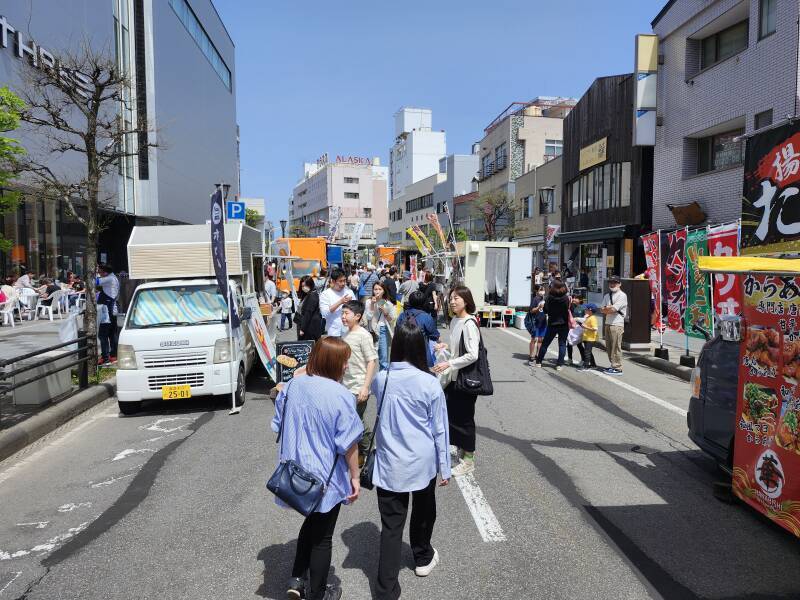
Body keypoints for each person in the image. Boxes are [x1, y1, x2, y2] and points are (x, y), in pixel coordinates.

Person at [272, 337, 363, 600]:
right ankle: (319, 594)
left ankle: (297, 579)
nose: (347, 366)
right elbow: (349, 444)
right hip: (325, 479)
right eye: (344, 361)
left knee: (311, 523)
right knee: (322, 536)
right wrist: (355, 477)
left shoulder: (292, 386)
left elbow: (277, 425)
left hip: (293, 472)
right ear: (333, 362)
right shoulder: (343, 396)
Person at [372, 322, 451, 599]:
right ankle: (422, 557)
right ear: (420, 348)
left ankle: (385, 590)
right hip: (422, 461)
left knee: (391, 527)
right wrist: (445, 467)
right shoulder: (429, 383)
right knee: (424, 511)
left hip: (390, 461)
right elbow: (439, 428)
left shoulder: (382, 378)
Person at [432, 286, 479, 477]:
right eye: (451, 298)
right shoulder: (455, 321)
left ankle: (469, 460)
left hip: (466, 379)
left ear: (466, 301)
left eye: (457, 298)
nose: (452, 301)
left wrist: (449, 363)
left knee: (465, 419)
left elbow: (473, 354)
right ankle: (463, 451)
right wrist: (447, 347)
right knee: (455, 417)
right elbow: (458, 349)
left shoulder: (469, 323)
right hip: (455, 378)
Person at [341, 300, 378, 461]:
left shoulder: (364, 335)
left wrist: (365, 387)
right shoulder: (345, 333)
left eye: (346, 313)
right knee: (351, 420)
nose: (343, 316)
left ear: (357, 316)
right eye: (342, 313)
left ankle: (370, 450)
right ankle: (360, 452)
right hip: (346, 385)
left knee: (357, 421)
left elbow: (371, 361)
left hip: (358, 386)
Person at [396, 290, 440, 366]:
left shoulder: (402, 315)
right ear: (424, 302)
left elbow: (397, 332)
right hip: (422, 355)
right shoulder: (426, 317)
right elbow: (435, 336)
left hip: (403, 355)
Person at [534, 280, 570, 370]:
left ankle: (539, 362)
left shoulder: (549, 297)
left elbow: (545, 310)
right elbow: (568, 310)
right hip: (564, 323)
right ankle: (559, 365)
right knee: (562, 344)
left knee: (545, 343)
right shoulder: (566, 298)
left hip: (552, 323)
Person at [365, 280, 396, 371]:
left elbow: (392, 320)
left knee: (383, 358)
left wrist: (385, 313)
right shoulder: (369, 301)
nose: (377, 291)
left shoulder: (387, 303)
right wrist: (372, 304)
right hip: (371, 330)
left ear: (384, 291)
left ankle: (383, 379)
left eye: (380, 289)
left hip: (382, 329)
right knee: (370, 357)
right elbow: (368, 317)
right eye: (375, 289)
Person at [602, 276, 628, 376]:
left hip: (617, 324)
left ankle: (617, 367)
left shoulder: (622, 295)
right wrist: (608, 308)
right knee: (608, 346)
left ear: (620, 284)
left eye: (615, 283)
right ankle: (613, 364)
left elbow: (613, 309)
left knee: (616, 346)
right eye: (611, 283)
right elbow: (602, 310)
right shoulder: (606, 296)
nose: (612, 284)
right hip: (608, 323)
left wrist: (608, 308)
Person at [319, 268, 355, 338]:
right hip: (334, 332)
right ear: (333, 281)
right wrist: (340, 302)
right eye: (340, 281)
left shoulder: (349, 292)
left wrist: (351, 304)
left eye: (344, 280)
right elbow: (324, 314)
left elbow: (356, 309)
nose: (343, 283)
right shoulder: (326, 294)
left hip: (349, 331)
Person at [97, 264, 120, 364]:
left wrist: (92, 272)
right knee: (112, 333)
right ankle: (114, 354)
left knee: (103, 334)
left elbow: (94, 281)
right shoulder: (114, 278)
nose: (99, 274)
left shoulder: (109, 279)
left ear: (105, 272)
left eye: (100, 272)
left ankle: (105, 357)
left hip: (107, 311)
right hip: (112, 310)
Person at [296, 276, 324, 341]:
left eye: (306, 286)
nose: (303, 288)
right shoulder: (308, 294)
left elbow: (308, 313)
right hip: (308, 325)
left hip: (310, 327)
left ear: (310, 284)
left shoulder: (312, 296)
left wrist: (302, 329)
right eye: (302, 286)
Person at [525, 285, 547, 366]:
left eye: (543, 289)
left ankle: (538, 355)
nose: (543, 291)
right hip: (536, 322)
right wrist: (538, 307)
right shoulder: (535, 299)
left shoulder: (544, 299)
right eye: (541, 290)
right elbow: (531, 311)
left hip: (543, 322)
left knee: (541, 339)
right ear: (537, 291)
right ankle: (531, 356)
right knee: (534, 339)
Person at [566, 295, 586, 367]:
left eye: (576, 298)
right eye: (573, 298)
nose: (574, 299)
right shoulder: (572, 306)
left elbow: (586, 319)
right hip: (572, 328)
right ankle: (570, 359)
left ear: (580, 300)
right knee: (569, 344)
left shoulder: (583, 308)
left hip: (580, 328)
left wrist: (578, 320)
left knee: (579, 345)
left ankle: (583, 360)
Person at [578, 303, 599, 370]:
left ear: (590, 310)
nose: (585, 310)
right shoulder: (589, 317)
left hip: (590, 338)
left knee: (587, 352)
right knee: (588, 352)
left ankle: (585, 366)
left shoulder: (593, 318)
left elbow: (595, 328)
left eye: (586, 309)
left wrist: (585, 327)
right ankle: (593, 365)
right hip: (587, 337)